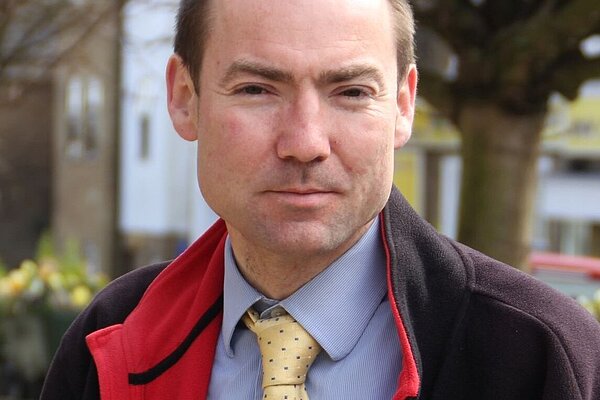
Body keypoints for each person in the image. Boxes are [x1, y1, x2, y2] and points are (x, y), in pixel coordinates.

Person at [41, 0, 600, 399]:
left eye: (351, 92)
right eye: (257, 90)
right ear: (184, 99)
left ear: (403, 106)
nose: (305, 143)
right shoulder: (108, 337)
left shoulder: (539, 357)